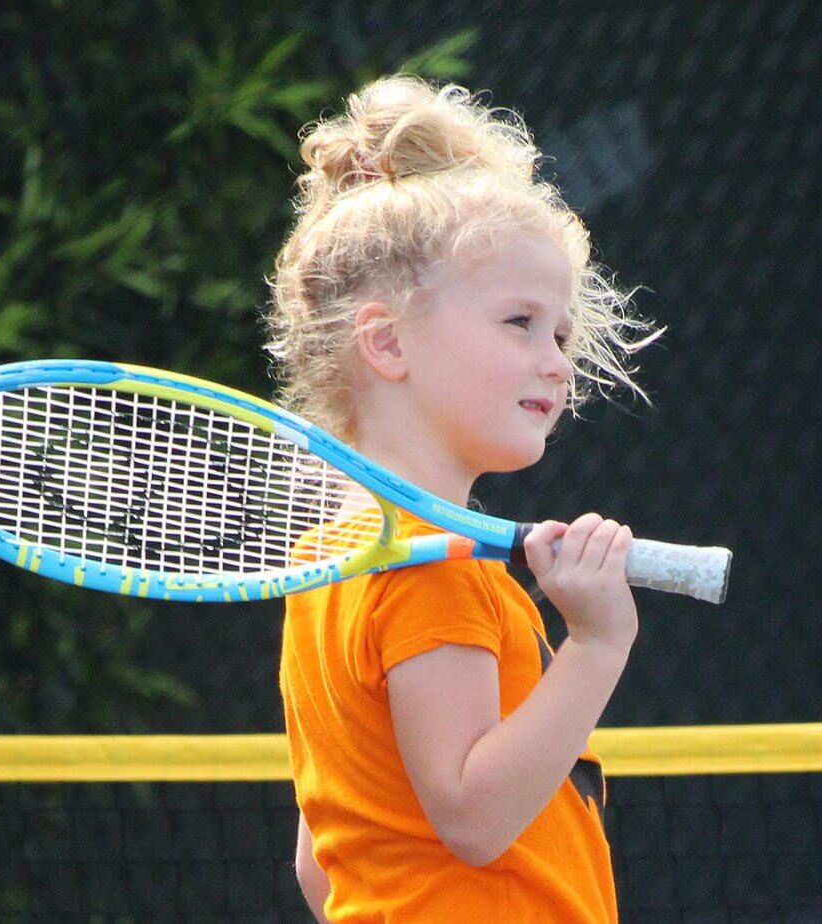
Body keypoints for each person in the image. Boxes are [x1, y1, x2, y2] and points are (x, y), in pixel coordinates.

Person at [266, 75, 659, 922]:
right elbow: (475, 816)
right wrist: (595, 645)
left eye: (560, 333)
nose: (557, 360)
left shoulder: (328, 562)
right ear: (386, 342)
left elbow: (322, 862)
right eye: (519, 323)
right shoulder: (428, 568)